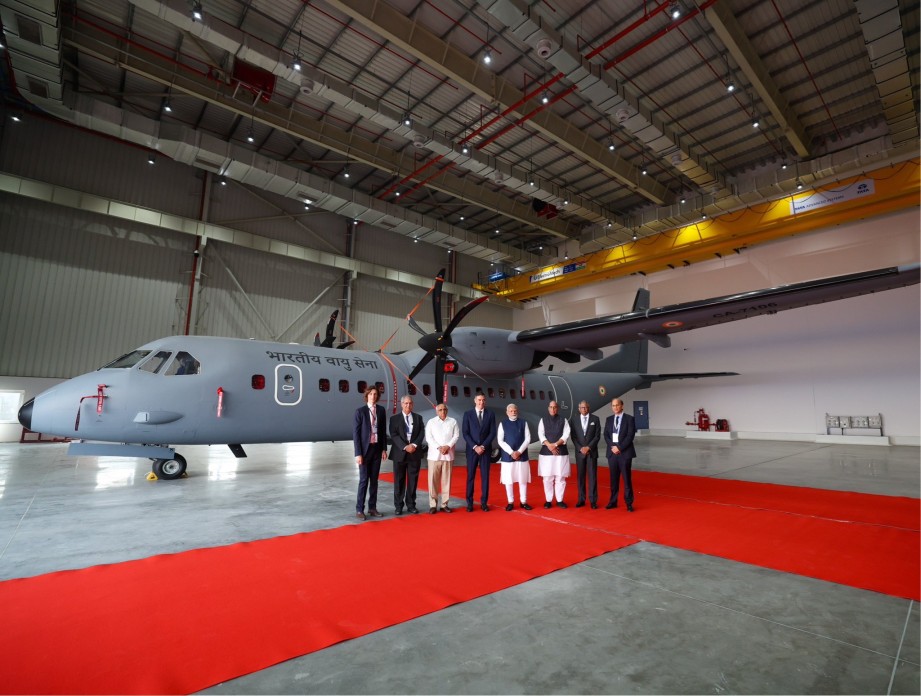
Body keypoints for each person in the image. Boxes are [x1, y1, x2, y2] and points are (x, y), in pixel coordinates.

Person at [353, 385, 388, 520]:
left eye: (375, 394)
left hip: (376, 449)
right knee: (363, 480)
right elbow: (356, 434)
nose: (373, 396)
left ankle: (372, 508)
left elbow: (383, 431)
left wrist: (384, 449)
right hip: (364, 451)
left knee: (374, 481)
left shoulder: (381, 410)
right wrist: (358, 453)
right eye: (371, 394)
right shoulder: (360, 412)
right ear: (367, 396)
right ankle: (359, 509)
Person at [389, 395, 425, 515]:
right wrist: (405, 447)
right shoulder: (394, 419)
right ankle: (398, 506)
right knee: (399, 481)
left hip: (414, 454)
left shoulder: (418, 418)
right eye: (405, 403)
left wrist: (414, 445)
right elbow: (394, 435)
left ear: (412, 404)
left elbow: (421, 433)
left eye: (410, 403)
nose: (408, 405)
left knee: (413, 481)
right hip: (400, 453)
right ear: (401, 404)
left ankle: (411, 505)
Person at [462, 393, 497, 511]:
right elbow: (465, 433)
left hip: (485, 450)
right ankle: (470, 503)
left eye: (483, 400)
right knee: (470, 476)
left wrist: (483, 446)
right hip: (472, 450)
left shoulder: (490, 414)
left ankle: (484, 502)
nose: (481, 402)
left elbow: (492, 432)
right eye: (479, 400)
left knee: (485, 477)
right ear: (475, 401)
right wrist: (475, 446)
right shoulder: (468, 414)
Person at [497, 403, 532, 511]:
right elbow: (500, 440)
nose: (513, 413)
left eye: (515, 411)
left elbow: (527, 439)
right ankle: (510, 502)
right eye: (511, 411)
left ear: (518, 411)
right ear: (507, 412)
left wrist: (519, 452)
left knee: (522, 480)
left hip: (522, 456)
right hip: (508, 457)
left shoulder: (523, 423)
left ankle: (523, 501)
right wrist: (512, 452)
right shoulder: (503, 423)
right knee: (508, 480)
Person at [425, 403, 459, 514]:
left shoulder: (453, 421)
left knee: (446, 481)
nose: (443, 411)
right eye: (440, 410)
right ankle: (433, 505)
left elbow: (456, 436)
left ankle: (444, 504)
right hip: (434, 456)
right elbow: (429, 437)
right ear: (436, 411)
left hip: (448, 456)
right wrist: (439, 447)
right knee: (433, 481)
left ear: (447, 410)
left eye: (444, 409)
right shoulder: (431, 422)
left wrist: (447, 446)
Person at [604, 397, 637, 512]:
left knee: (627, 479)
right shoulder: (609, 419)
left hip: (625, 453)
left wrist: (619, 447)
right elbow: (606, 435)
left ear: (622, 406)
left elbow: (630, 436)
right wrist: (613, 447)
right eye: (613, 405)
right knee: (613, 480)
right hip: (612, 454)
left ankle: (629, 503)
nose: (615, 407)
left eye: (617, 405)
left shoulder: (629, 419)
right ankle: (613, 501)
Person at [537, 401, 570, 508]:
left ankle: (560, 500)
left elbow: (566, 435)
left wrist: (555, 445)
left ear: (558, 408)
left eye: (555, 407)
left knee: (560, 477)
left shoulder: (563, 420)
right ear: (548, 408)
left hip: (561, 453)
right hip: (546, 453)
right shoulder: (543, 420)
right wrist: (549, 446)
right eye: (551, 407)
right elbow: (541, 434)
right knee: (547, 478)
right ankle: (548, 500)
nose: (553, 409)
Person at [569, 400, 601, 508]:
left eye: (586, 407)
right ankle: (581, 499)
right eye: (582, 408)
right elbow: (573, 436)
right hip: (580, 453)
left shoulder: (595, 419)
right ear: (579, 409)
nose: (584, 409)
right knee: (580, 477)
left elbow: (597, 436)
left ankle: (593, 501)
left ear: (589, 408)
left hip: (591, 453)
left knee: (592, 477)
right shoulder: (574, 420)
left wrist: (588, 447)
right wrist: (580, 448)